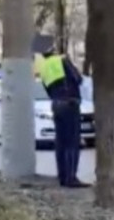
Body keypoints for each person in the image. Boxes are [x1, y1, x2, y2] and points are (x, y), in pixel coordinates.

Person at [38, 48, 89, 188]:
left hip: (56, 104)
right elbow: (78, 79)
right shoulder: (62, 60)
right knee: (72, 141)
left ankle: (62, 176)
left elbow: (47, 89)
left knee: (61, 142)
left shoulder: (43, 67)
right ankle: (71, 178)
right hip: (70, 103)